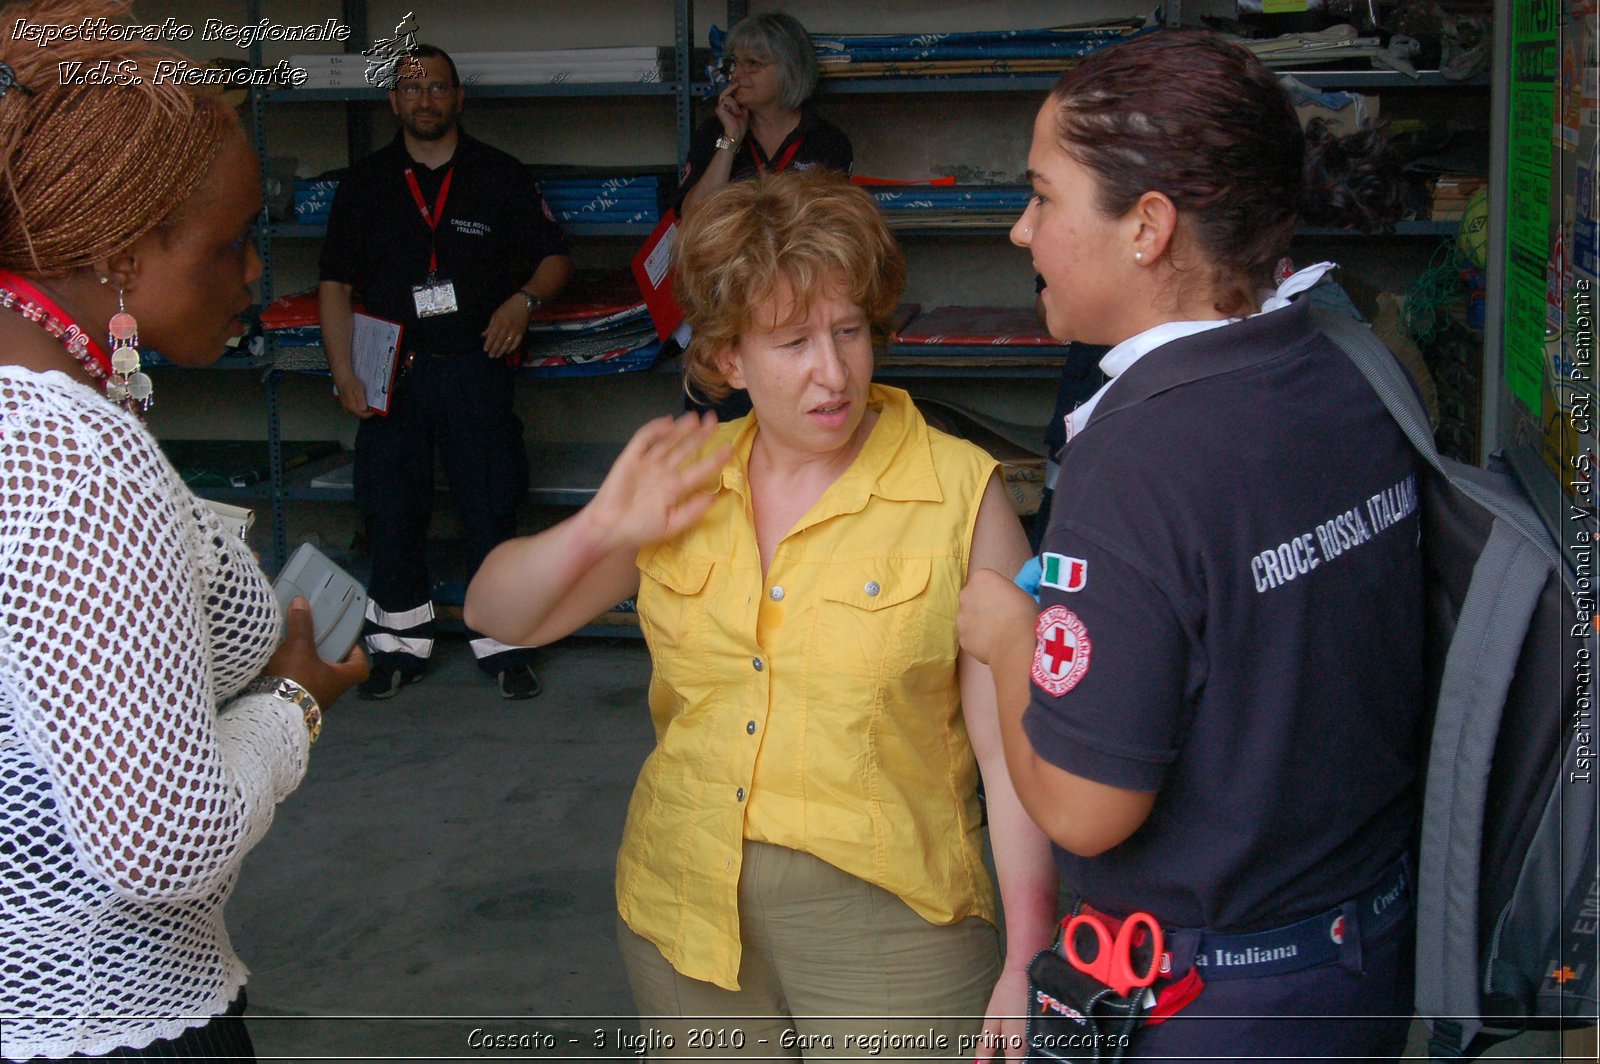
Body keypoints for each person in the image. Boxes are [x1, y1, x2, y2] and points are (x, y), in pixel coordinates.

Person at [467, 170, 1057, 1059]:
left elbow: (1010, 754)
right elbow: (500, 614)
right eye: (791, 342)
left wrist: (1027, 952)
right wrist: (601, 527)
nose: (833, 372)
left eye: (850, 331)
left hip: (895, 924)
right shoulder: (685, 483)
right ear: (728, 358)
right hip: (683, 908)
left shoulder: (956, 493)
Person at [958, 30, 1422, 1062]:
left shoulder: (1138, 458)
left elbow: (1085, 809)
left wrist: (1001, 642)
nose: (1018, 231)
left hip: (1221, 1002)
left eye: (1042, 197)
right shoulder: (1349, 366)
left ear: (1147, 228)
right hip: (1361, 953)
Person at [0, 3, 368, 1059]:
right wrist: (295, 698)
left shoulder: (43, 409)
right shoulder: (74, 466)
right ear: (123, 251)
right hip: (105, 1017)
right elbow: (164, 840)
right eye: (233, 243)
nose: (256, 273)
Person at [318, 44, 572, 702]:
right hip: (392, 373)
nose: (425, 98)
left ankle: (506, 646)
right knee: (392, 510)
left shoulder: (499, 175)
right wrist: (344, 368)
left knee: (490, 506)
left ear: (459, 98)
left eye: (437, 87)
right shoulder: (366, 183)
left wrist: (524, 301)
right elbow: (334, 284)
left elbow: (553, 259)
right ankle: (397, 648)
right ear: (393, 102)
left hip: (474, 367)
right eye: (412, 88)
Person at [675, 12, 851, 218]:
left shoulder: (828, 140)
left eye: (753, 63)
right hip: (728, 250)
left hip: (801, 250)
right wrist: (730, 140)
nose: (737, 74)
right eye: (735, 62)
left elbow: (836, 226)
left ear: (790, 69)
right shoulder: (714, 131)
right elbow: (692, 217)